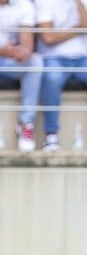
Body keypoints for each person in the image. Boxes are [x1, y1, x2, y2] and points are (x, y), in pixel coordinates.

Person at [35, 0, 87, 153]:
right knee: (52, 78)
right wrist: (80, 28)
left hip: (83, 58)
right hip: (52, 57)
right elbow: (48, 37)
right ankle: (51, 136)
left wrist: (79, 4)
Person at [0, 0, 43, 153]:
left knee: (35, 61)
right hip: (4, 54)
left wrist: (22, 52)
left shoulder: (24, 4)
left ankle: (26, 124)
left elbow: (27, 41)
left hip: (8, 60)